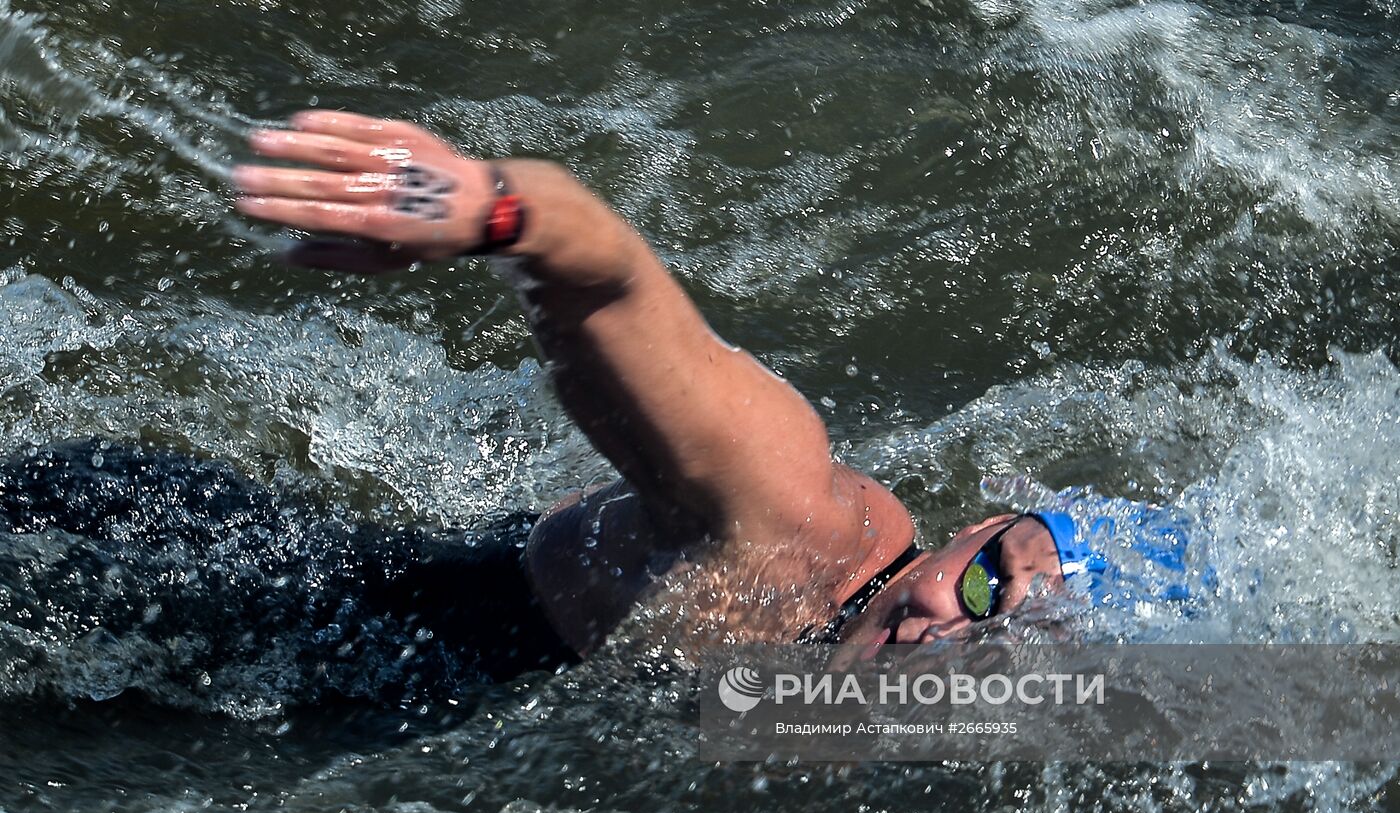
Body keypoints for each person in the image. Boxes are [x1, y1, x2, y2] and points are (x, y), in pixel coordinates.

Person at [232, 111, 1200, 658]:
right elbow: (608, 276)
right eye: (988, 586)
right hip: (266, 609)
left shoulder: (878, 700)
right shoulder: (796, 524)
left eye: (1012, 654)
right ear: (979, 528)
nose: (948, 638)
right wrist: (489, 210)